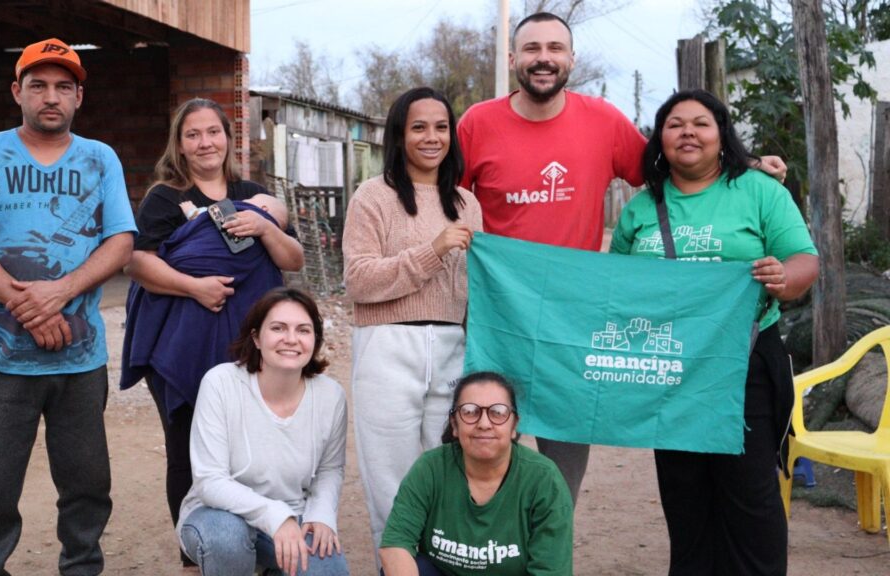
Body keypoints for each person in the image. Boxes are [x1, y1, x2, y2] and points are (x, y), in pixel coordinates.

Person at [457, 11, 788, 506]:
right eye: (531, 49)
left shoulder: (602, 121)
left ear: (571, 59)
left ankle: (548, 549)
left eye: (554, 48)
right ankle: (479, 547)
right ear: (512, 59)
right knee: (482, 436)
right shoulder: (477, 123)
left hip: (574, 318)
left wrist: (745, 164)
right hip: (498, 309)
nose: (543, 58)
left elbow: (675, 166)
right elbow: (443, 200)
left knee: (561, 452)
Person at [0, 38, 136, 575]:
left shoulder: (101, 159)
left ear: (79, 97)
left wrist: (61, 291)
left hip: (80, 360)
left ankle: (81, 568)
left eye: (63, 87)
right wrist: (28, 303)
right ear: (16, 91)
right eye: (39, 85)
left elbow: (120, 242)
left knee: (87, 488)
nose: (52, 96)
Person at [610, 89, 819, 575]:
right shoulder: (641, 208)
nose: (687, 132)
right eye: (675, 123)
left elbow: (805, 260)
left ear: (721, 135)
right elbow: (616, 287)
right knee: (685, 497)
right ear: (659, 139)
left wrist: (784, 278)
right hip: (670, 370)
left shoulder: (760, 191)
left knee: (751, 496)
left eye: (700, 123)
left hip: (743, 364)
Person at [121, 97, 304, 567]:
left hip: (246, 344)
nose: (205, 142)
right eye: (193, 134)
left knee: (252, 443)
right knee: (187, 449)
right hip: (181, 345)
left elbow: (292, 259)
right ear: (179, 146)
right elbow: (137, 262)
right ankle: (195, 552)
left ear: (228, 137)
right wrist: (194, 287)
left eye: (213, 132)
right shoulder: (165, 197)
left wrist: (266, 228)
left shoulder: (252, 193)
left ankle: (255, 541)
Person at [342, 87, 483, 553]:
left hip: (452, 347)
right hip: (387, 346)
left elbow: (478, 286)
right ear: (399, 136)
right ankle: (396, 563)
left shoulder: (466, 204)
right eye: (418, 127)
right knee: (391, 478)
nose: (431, 137)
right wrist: (432, 251)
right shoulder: (373, 197)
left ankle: (447, 561)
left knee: (452, 466)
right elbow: (359, 280)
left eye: (441, 127)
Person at [176, 287, 349, 576]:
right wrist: (275, 516)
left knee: (328, 570)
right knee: (227, 539)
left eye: (303, 330)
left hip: (293, 515)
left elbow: (330, 469)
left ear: (315, 340)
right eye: (278, 328)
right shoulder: (221, 383)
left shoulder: (330, 395)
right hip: (216, 516)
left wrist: (321, 514)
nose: (291, 339)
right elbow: (209, 481)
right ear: (256, 337)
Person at [380, 372, 573, 576]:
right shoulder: (431, 468)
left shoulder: (544, 479)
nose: (484, 423)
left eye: (497, 412)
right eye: (470, 412)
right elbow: (396, 545)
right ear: (455, 424)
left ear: (514, 425)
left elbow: (550, 571)